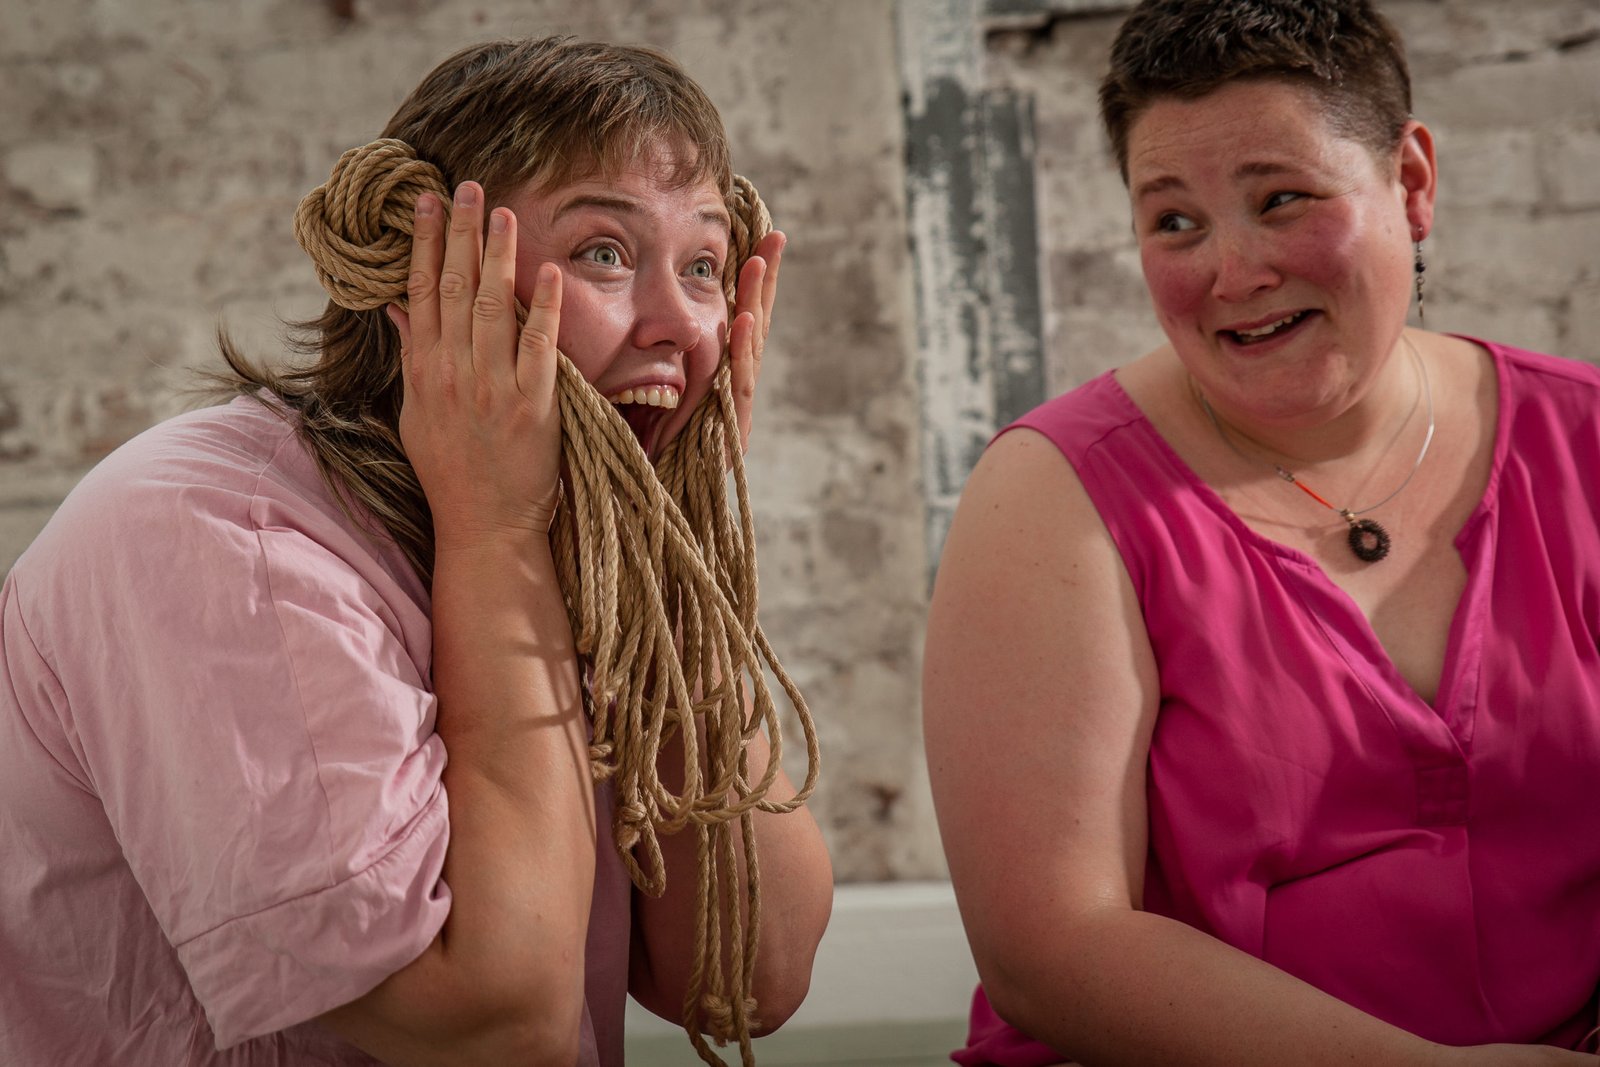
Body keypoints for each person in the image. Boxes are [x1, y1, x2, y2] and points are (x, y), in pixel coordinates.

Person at [0, 35, 832, 1067]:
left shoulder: (583, 546)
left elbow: (751, 975)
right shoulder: (213, 534)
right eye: (605, 253)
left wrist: (674, 553)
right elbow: (500, 1025)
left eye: (702, 267)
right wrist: (496, 534)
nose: (678, 324)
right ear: (425, 272)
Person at [922, 1, 1600, 1064]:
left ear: (1411, 182)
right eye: (1174, 222)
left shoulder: (1585, 438)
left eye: (1281, 200)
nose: (1232, 274)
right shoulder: (1051, 497)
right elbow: (1048, 948)